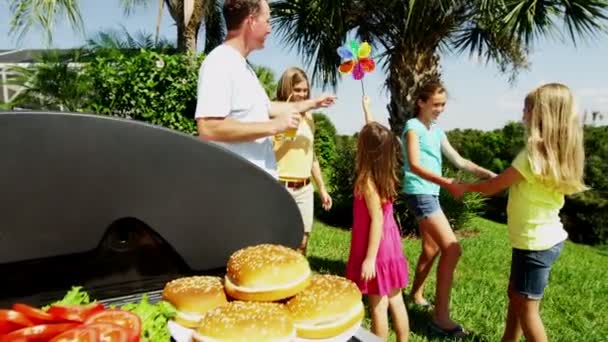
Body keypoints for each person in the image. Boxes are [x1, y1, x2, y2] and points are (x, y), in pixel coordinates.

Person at [456, 83, 587, 342]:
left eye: (527, 109)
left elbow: (494, 187)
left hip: (534, 244)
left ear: (542, 115)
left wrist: (465, 187)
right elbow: (518, 182)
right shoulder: (555, 153)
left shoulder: (531, 154)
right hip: (541, 240)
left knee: (528, 310)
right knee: (515, 295)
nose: (522, 114)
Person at [194, 0, 335, 178]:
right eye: (267, 21)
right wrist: (274, 126)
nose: (270, 29)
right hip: (237, 184)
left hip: (254, 184)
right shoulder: (220, 62)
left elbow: (268, 107)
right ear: (252, 21)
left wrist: (314, 103)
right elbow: (209, 127)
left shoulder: (244, 68)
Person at [401, 80, 495, 337]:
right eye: (436, 104)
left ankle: (416, 293)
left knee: (430, 249)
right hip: (419, 192)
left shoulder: (437, 131)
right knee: (452, 249)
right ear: (421, 102)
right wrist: (448, 183)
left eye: (443, 104)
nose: (440, 109)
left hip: (430, 192)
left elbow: (460, 160)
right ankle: (440, 318)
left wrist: (492, 175)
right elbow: (415, 165)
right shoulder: (413, 127)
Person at [346, 95, 409, 341]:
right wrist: (367, 109)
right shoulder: (384, 173)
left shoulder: (368, 182)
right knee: (396, 301)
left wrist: (369, 259)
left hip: (377, 249)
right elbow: (376, 137)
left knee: (378, 306)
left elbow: (377, 221)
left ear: (364, 149)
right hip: (391, 246)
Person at [272, 67, 333, 254]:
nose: (302, 94)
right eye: (297, 90)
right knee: (278, 242)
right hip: (280, 186)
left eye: (305, 90)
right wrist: (285, 133)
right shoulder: (274, 111)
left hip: (305, 188)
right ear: (286, 88)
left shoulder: (309, 117)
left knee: (303, 241)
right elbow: (267, 149)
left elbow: (311, 155)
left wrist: (321, 187)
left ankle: (297, 280)